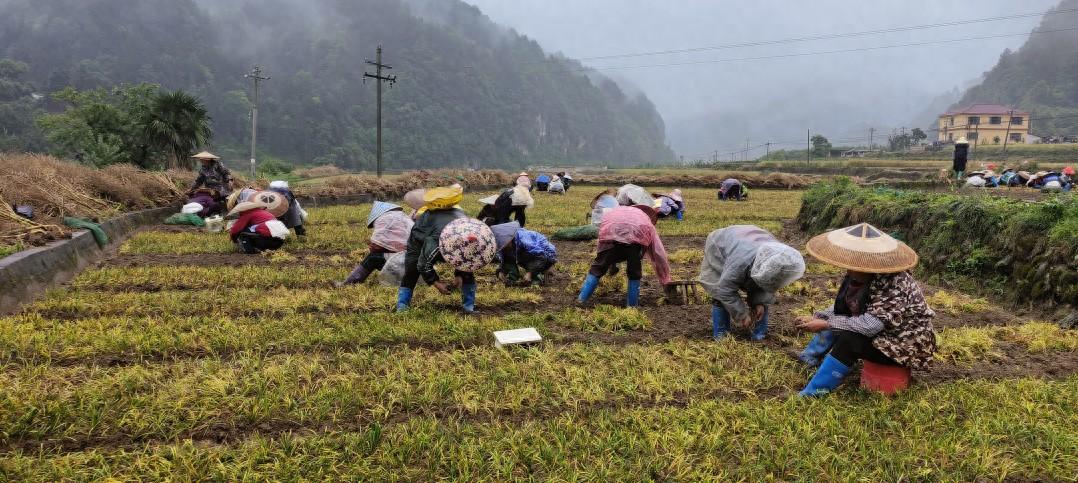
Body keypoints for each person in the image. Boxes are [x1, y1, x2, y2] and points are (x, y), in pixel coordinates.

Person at [796, 223, 936, 397]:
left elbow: (870, 325)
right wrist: (818, 317)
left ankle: (813, 393)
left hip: (902, 344)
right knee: (839, 322)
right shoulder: (861, 275)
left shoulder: (893, 282)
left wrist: (825, 323)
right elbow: (846, 307)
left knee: (848, 337)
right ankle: (810, 358)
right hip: (884, 334)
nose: (850, 268)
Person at [397, 186, 496, 314]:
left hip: (446, 232)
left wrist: (459, 274)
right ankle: (402, 306)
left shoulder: (468, 227)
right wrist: (437, 283)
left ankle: (468, 308)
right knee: (412, 270)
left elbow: (466, 258)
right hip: (420, 238)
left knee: (467, 267)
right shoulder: (438, 240)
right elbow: (423, 264)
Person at [698, 225, 805, 341]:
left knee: (761, 290)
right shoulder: (740, 263)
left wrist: (760, 303)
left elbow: (768, 282)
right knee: (719, 293)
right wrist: (742, 315)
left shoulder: (779, 257)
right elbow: (724, 290)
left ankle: (759, 334)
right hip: (720, 246)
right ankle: (721, 335)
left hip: (752, 240)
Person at [577, 204, 673, 307]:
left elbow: (604, 245)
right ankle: (632, 306)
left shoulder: (618, 211)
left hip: (610, 233)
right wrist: (665, 280)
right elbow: (659, 254)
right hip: (635, 241)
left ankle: (582, 299)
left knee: (598, 267)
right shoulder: (645, 221)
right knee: (634, 271)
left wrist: (605, 260)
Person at [337, 201, 413, 286]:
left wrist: (373, 247)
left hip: (402, 262)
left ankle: (350, 282)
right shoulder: (404, 218)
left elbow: (376, 246)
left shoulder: (384, 220)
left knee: (372, 258)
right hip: (414, 261)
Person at [492, 221, 558, 286]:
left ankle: (538, 276)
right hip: (536, 256)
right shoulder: (506, 247)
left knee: (526, 258)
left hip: (546, 255)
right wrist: (501, 271)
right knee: (508, 257)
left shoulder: (524, 241)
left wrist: (530, 273)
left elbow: (541, 257)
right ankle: (513, 278)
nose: (502, 246)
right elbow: (504, 260)